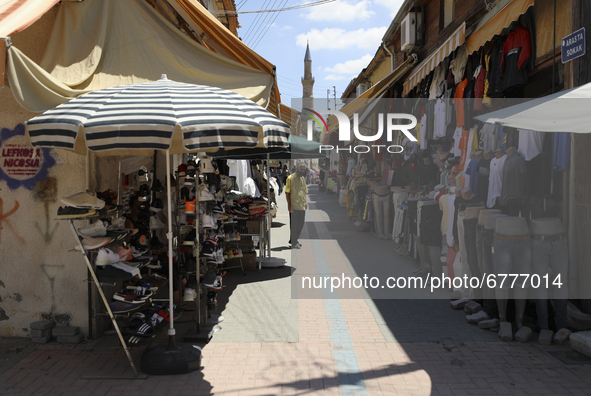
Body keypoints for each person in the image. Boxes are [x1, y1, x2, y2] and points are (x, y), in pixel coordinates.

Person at [285, 163, 308, 249]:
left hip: (301, 206)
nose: (303, 171)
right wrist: (289, 205)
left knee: (301, 224)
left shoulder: (302, 179)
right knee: (294, 225)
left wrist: (305, 202)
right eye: (301, 169)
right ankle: (294, 242)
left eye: (304, 169)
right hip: (294, 206)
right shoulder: (290, 178)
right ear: (297, 169)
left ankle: (294, 239)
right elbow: (287, 193)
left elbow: (304, 192)